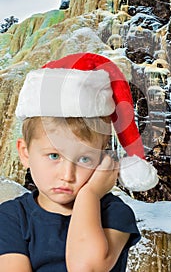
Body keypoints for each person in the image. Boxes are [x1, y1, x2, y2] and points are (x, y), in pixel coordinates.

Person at [0, 52, 158, 272]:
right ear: (25, 153)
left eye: (84, 159)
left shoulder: (115, 213)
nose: (67, 174)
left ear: (103, 159)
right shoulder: (11, 217)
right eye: (54, 156)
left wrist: (90, 194)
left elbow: (85, 267)